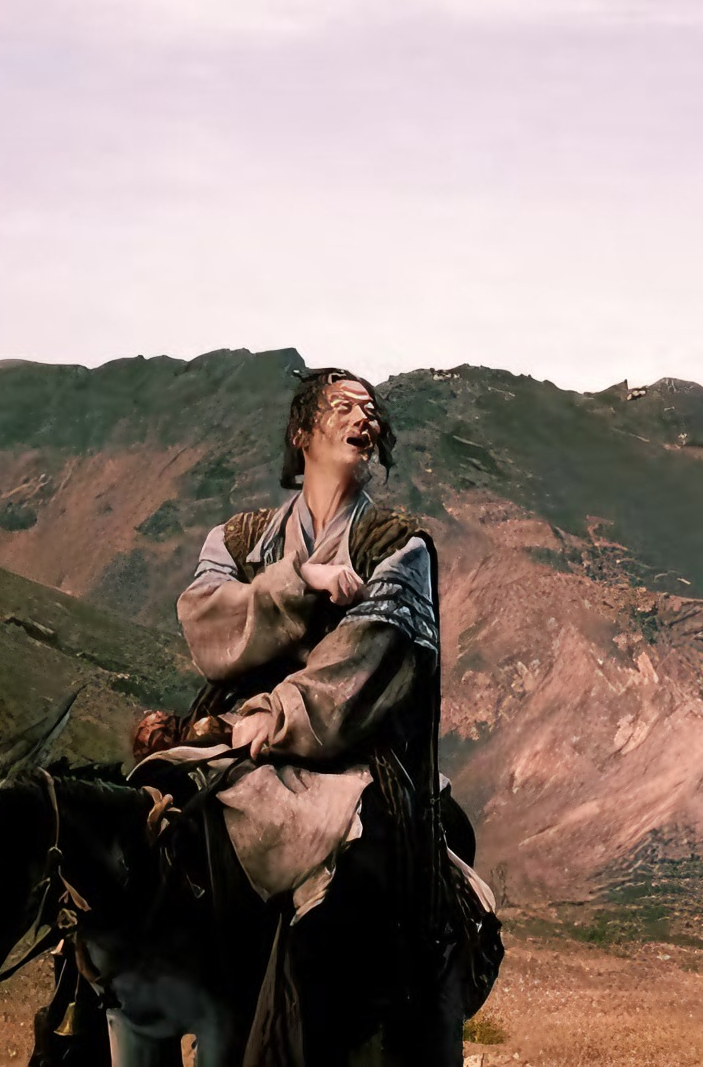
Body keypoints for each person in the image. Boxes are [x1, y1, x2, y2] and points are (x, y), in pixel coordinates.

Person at [166, 368, 484, 1063]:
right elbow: (205, 622)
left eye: (371, 412)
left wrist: (275, 713)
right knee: (138, 834)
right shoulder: (239, 538)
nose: (363, 419)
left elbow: (369, 651)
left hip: (349, 756)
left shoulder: (397, 543)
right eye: (343, 407)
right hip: (234, 742)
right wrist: (297, 583)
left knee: (368, 874)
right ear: (301, 432)